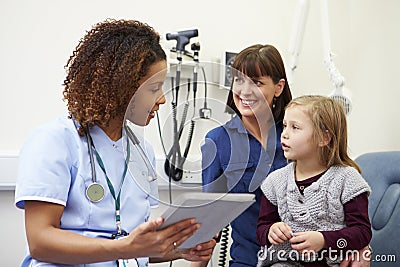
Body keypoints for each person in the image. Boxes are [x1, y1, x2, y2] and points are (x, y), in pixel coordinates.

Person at [14, 19, 215, 267]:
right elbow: (40, 241)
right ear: (121, 88)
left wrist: (179, 250)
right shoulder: (54, 141)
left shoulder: (142, 152)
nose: (162, 100)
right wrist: (123, 247)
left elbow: (134, 246)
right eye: (154, 89)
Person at [196, 44, 293, 267]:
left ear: (278, 87)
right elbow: (210, 219)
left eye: (257, 82)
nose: (244, 91)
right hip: (250, 260)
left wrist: (358, 245)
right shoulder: (218, 141)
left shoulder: (297, 134)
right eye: (239, 80)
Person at [256, 95, 372, 267]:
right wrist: (271, 232)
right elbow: (262, 227)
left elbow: (362, 232)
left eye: (295, 127)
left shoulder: (347, 180)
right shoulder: (275, 181)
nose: (285, 134)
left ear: (324, 138)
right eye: (285, 126)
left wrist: (324, 240)